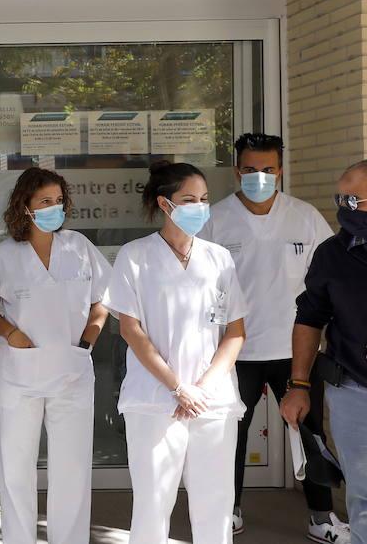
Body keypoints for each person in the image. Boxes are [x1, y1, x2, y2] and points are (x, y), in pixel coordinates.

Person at [201, 134, 345, 540]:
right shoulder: (215, 219)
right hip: (234, 349)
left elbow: (326, 282)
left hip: (295, 349)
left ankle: (321, 518)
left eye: (267, 170)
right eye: (250, 170)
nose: (259, 177)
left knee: (311, 431)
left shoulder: (305, 217)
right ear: (237, 171)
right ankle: (227, 512)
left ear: (280, 171)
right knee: (230, 434)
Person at [105, 161, 247, 544]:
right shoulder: (134, 257)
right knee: (152, 504)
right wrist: (176, 387)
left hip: (212, 401)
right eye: (189, 200)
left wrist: (200, 388)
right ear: (164, 204)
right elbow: (130, 330)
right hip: (154, 401)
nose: (199, 206)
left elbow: (234, 332)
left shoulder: (219, 258)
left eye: (203, 199)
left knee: (216, 506)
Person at [0, 168, 109, 544]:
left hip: (72, 372)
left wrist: (87, 340)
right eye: (45, 201)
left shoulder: (79, 247)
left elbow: (104, 300)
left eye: (58, 200)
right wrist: (12, 333)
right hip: (19, 376)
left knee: (72, 469)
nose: (55, 208)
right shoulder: (3, 254)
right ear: (25, 207)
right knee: (16, 471)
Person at [283, 160, 367, 542]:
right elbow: (309, 318)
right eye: (341, 198)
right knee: (363, 493)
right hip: (353, 391)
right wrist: (299, 383)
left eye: (353, 199)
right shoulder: (332, 254)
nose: (343, 208)